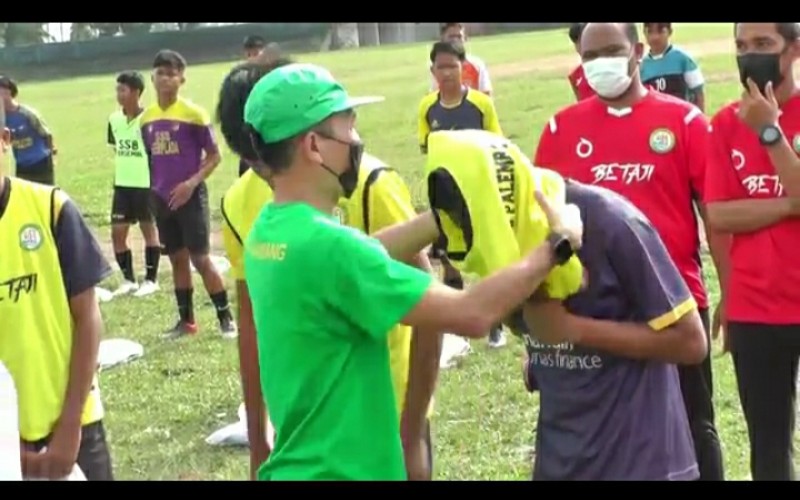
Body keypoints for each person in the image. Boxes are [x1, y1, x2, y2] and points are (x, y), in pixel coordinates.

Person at [239, 62, 582, 480]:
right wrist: (557, 245)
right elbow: (472, 314)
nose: (356, 140)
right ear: (313, 145)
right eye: (348, 127)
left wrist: (440, 217)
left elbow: (361, 256)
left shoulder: (269, 231)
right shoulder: (331, 249)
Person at [217, 58, 442, 480]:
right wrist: (259, 438)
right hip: (314, 436)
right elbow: (252, 325)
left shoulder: (369, 183)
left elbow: (427, 306)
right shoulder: (240, 204)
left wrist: (412, 430)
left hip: (390, 412)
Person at [533, 22, 728, 481]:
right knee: (608, 435)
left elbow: (714, 216)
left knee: (694, 427)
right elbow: (541, 222)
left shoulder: (684, 122)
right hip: (594, 306)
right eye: (589, 55)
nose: (600, 63)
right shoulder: (561, 129)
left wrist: (731, 293)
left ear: (637, 51)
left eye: (611, 51)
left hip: (673, 302)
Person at [0, 98, 115, 481]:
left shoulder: (50, 208)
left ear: (4, 140)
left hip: (72, 424)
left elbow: (88, 317)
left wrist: (69, 427)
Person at [704, 22, 800, 481]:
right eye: (741, 46)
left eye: (763, 44)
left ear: (793, 49)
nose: (749, 56)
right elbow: (719, 215)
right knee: (769, 447)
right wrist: (789, 205)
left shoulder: (761, 123)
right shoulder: (725, 123)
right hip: (755, 307)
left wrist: (769, 132)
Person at [140, 50, 235, 338]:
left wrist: (190, 184)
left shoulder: (194, 114)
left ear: (182, 79)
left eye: (172, 74)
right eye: (160, 73)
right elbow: (152, 158)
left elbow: (215, 156)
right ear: (152, 78)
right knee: (177, 259)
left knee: (200, 259)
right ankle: (187, 322)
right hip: (162, 199)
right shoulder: (146, 119)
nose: (165, 79)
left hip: (191, 198)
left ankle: (226, 318)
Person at [419, 40, 506, 348]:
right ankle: (457, 332)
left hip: (479, 192)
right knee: (449, 259)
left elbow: (497, 145)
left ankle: (496, 326)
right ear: (433, 71)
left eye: (452, 66)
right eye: (440, 67)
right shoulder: (427, 108)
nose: (446, 73)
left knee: (487, 259)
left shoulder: (481, 104)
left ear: (463, 68)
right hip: (445, 195)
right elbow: (427, 149)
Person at [107, 71, 161, 298]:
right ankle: (129, 280)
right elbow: (116, 147)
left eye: (123, 90)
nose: (119, 94)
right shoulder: (114, 119)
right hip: (122, 185)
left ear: (136, 92)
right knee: (117, 234)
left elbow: (157, 153)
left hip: (145, 185)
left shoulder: (149, 120)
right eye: (117, 90)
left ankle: (151, 280)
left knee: (149, 231)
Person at [0, 76, 57, 186]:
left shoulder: (27, 113)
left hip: (40, 162)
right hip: (22, 165)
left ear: (9, 92)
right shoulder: (2, 119)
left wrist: (52, 155)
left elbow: (46, 134)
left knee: (45, 193)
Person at [640, 23, 706, 112]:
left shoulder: (683, 59)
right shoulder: (641, 66)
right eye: (650, 31)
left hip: (681, 116)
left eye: (660, 31)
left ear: (670, 32)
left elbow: (699, 94)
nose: (655, 37)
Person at [429, 23, 492, 95]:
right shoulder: (438, 66)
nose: (455, 40)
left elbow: (486, 93)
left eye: (459, 36)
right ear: (442, 39)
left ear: (465, 39)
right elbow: (435, 93)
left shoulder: (477, 64)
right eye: (451, 36)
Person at [566, 23, 595, 102]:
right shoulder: (575, 75)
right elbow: (580, 104)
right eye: (576, 42)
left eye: (584, 40)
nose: (580, 45)